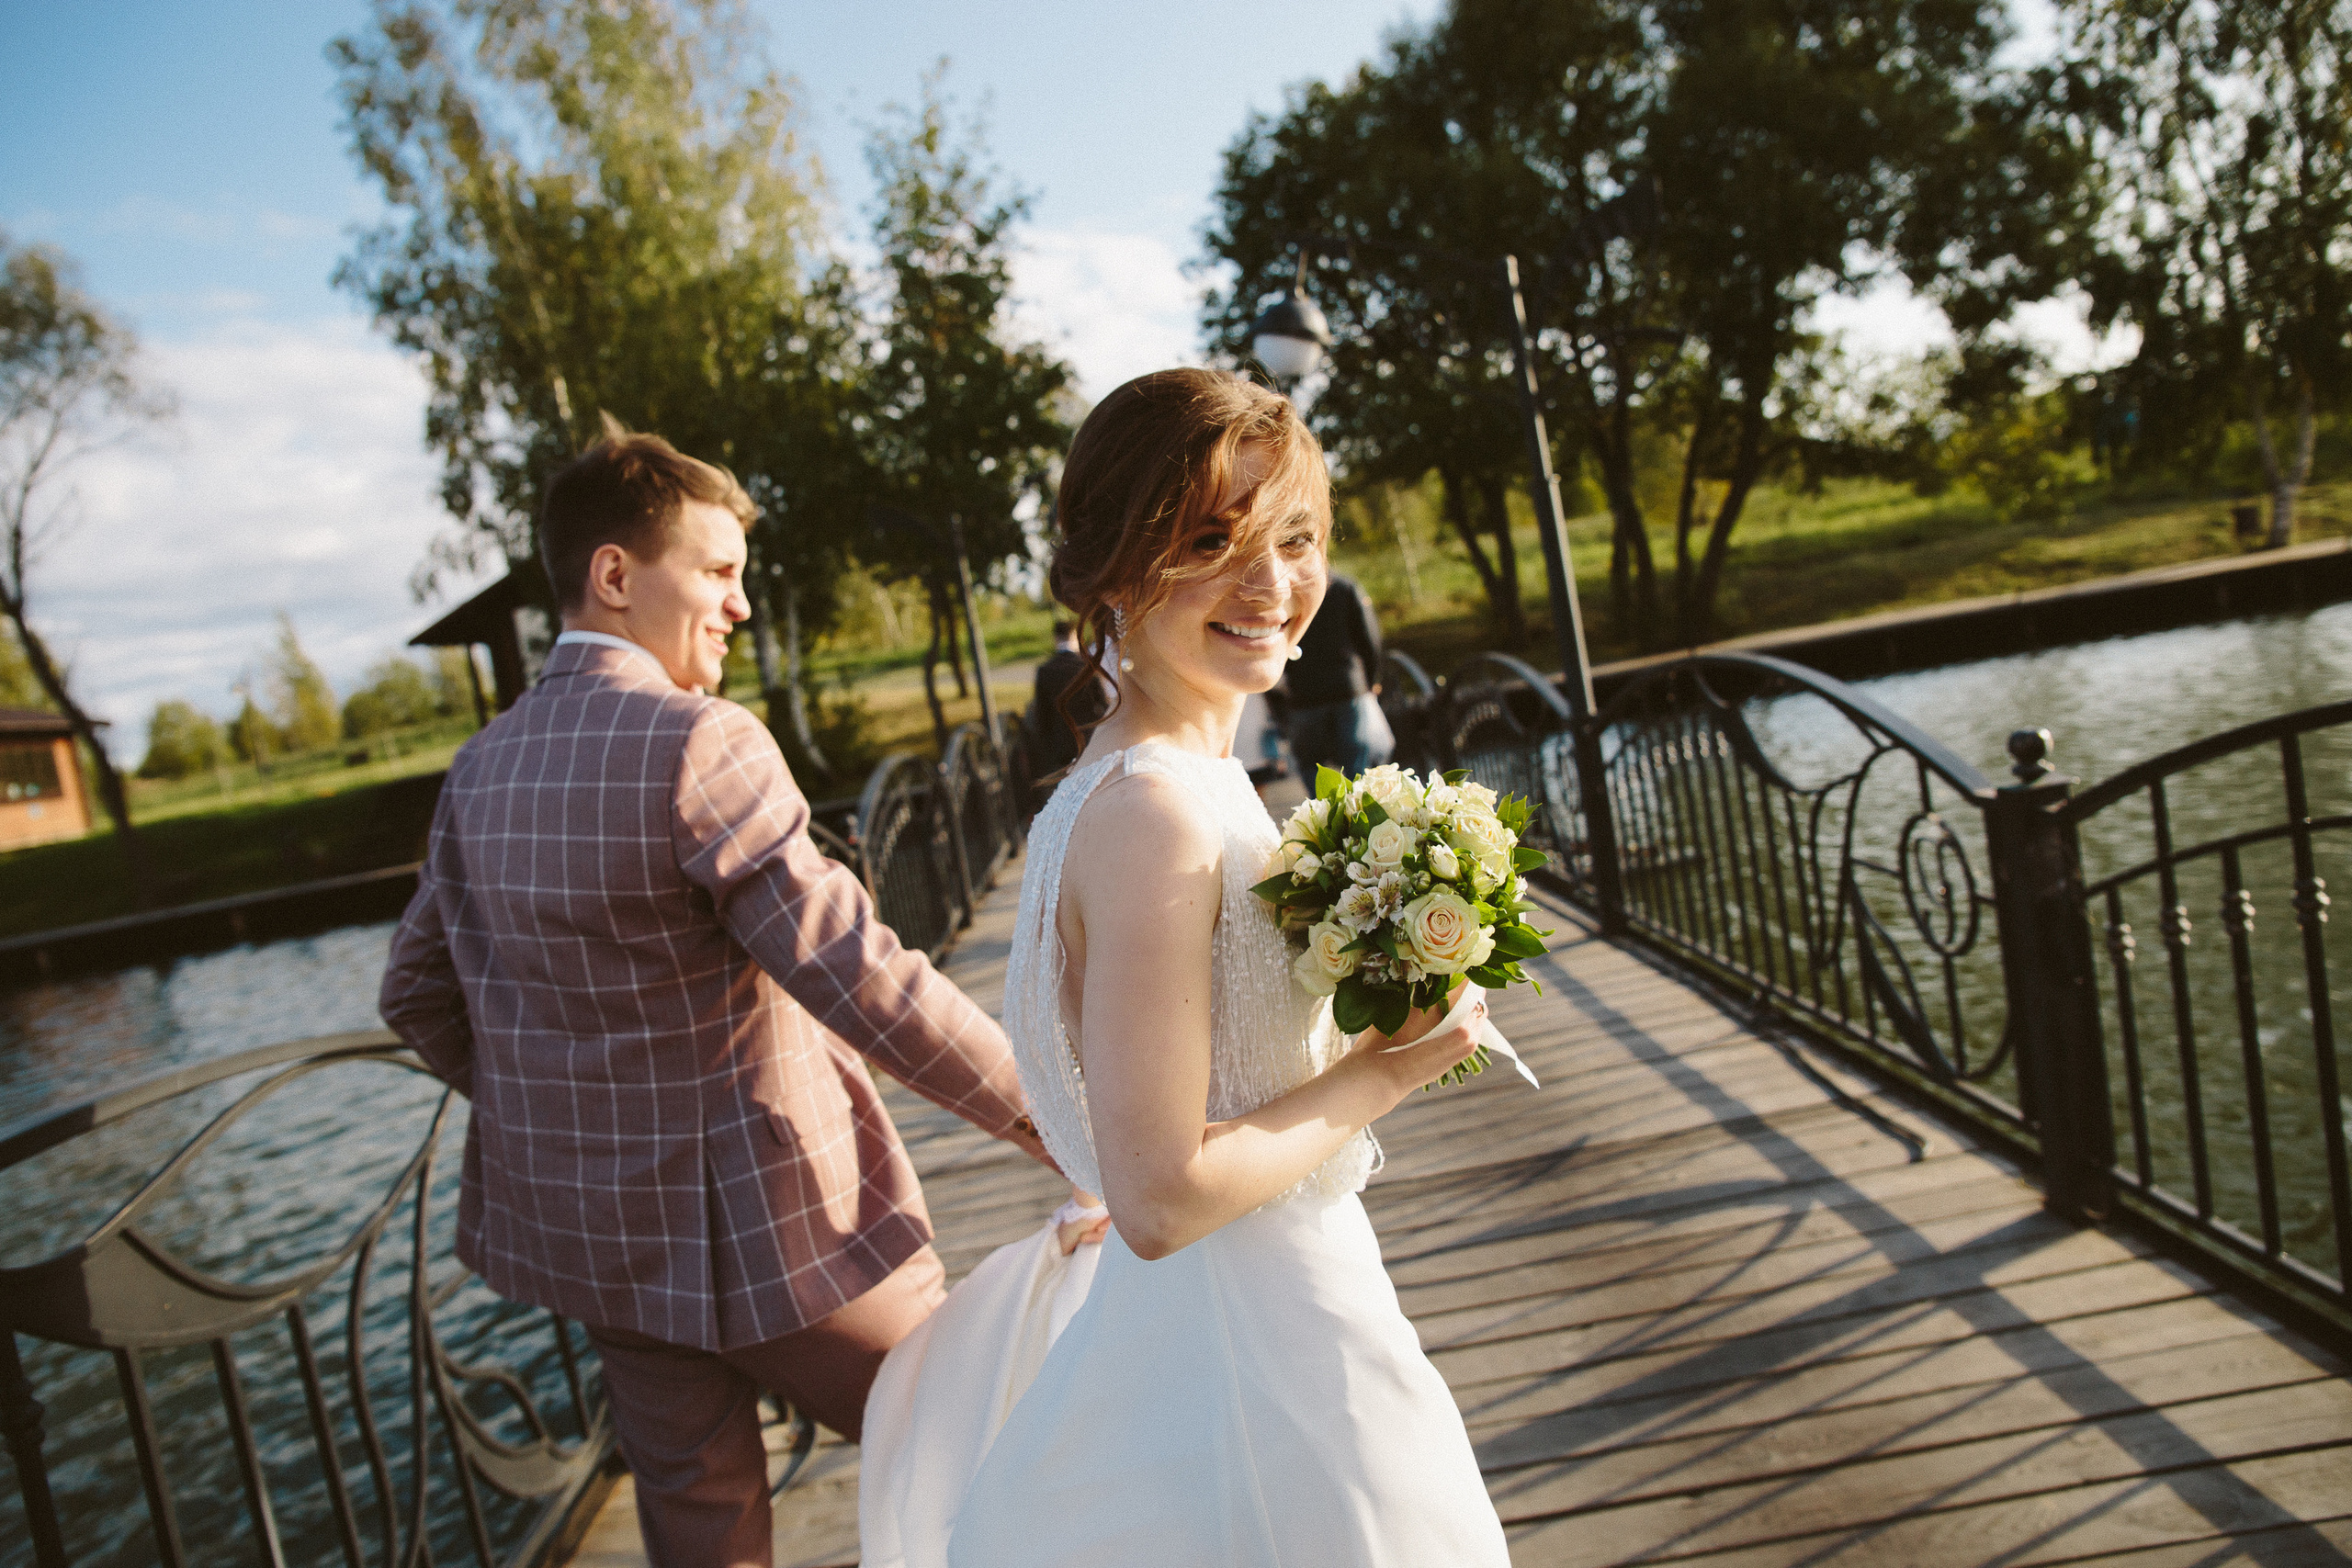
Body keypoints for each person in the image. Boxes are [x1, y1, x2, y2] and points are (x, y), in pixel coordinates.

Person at [378, 427, 1074, 1568]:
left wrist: (569, 1107)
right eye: (714, 571)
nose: (740, 606)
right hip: (779, 1226)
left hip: (605, 1242)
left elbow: (416, 993)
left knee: (702, 1528)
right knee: (992, 1459)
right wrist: (1046, 1109)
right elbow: (854, 970)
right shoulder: (699, 741)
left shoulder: (479, 768)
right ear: (614, 575)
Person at [859, 370, 1510, 1566]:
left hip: (1256, 1309)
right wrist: (1389, 1068)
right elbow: (1160, 1197)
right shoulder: (1153, 811)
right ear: (1113, 567)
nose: (1271, 583)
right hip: (1265, 1344)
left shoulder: (1148, 782)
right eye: (1212, 540)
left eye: (1295, 538)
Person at [1283, 569, 1394, 776]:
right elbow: (1368, 637)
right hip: (1348, 686)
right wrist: (1372, 681)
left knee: (1312, 766)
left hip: (1304, 689)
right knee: (1358, 763)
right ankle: (1356, 807)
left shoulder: (1286, 590)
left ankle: (1323, 807)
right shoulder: (1344, 585)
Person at [1024, 618, 1110, 779]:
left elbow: (1042, 714)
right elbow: (1104, 706)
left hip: (1059, 744)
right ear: (1074, 636)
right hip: (1089, 739)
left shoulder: (1045, 670)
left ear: (1055, 638)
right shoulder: (1087, 666)